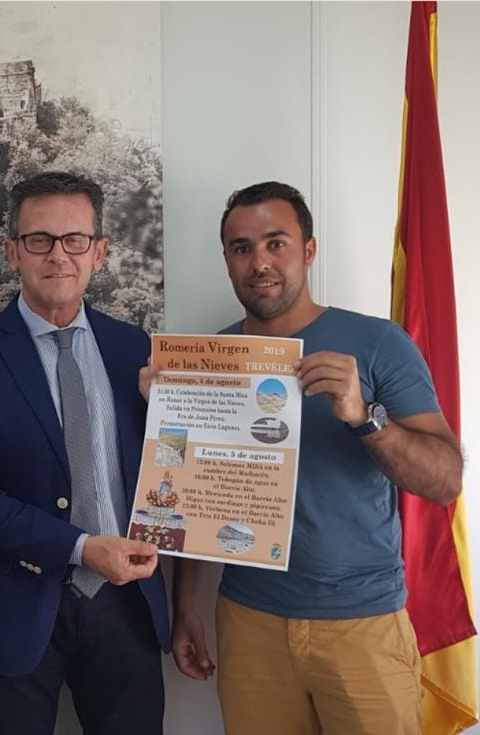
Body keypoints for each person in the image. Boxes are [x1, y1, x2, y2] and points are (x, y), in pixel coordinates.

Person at [167, 181, 463, 734]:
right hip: (249, 618)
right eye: (241, 248)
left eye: (276, 243)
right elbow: (197, 500)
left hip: (364, 623)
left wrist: (364, 417)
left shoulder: (378, 344)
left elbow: (444, 481)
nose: (260, 263)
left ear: (308, 250)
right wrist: (186, 607)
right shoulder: (212, 357)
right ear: (227, 260)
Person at [0, 171, 169, 735]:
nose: (58, 255)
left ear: (100, 251)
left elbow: (166, 476)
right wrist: (83, 549)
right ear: (12, 252)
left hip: (125, 604)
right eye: (39, 240)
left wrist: (172, 419)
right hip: (13, 606)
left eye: (75, 240)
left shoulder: (134, 348)